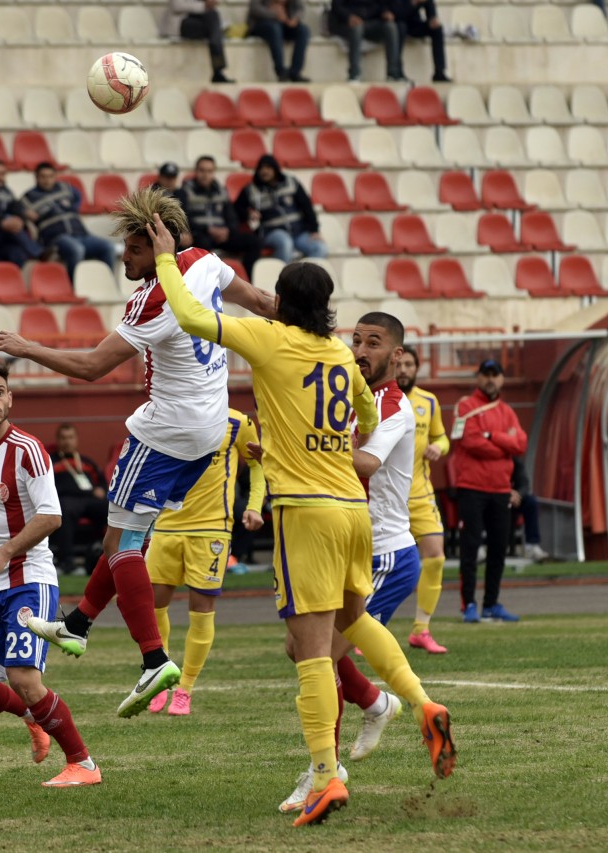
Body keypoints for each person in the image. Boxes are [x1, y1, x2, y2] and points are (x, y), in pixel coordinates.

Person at [153, 218, 455, 826]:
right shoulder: (342, 356)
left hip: (305, 510)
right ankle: (421, 703)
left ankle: (324, 774)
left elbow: (188, 318)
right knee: (352, 618)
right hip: (353, 508)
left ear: (282, 302)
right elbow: (367, 416)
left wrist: (166, 260)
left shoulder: (269, 339)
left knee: (311, 650)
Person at [0, 187, 277, 718]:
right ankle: (76, 626)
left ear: (157, 242)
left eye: (133, 248)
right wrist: (313, 331)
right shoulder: (205, 261)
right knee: (126, 534)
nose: (124, 256)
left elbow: (92, 368)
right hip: (212, 428)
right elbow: (263, 303)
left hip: (164, 432)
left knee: (121, 541)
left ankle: (153, 658)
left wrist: (26, 348)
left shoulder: (153, 301)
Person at [279, 312, 419, 811]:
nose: (360, 349)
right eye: (355, 339)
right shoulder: (343, 388)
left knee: (319, 655)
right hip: (344, 540)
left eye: (373, 343)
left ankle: (324, 771)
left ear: (397, 356)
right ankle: (378, 703)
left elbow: (365, 463)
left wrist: (297, 446)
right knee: (302, 649)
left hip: (382, 551)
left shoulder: (396, 407)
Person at [0, 364, 100, 787]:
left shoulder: (28, 449)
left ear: (10, 399)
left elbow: (52, 516)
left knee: (24, 678)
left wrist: (2, 554)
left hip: (30, 579)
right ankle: (32, 718)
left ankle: (83, 764)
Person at [146, 408, 265, 717]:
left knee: (201, 609)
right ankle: (161, 678)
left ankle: (185, 689)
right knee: (153, 605)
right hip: (167, 526)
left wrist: (253, 506)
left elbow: (257, 465)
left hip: (212, 529)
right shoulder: (168, 413)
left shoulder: (238, 422)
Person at [450, 359, 526, 623]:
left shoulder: (506, 410)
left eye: (495, 375)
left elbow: (521, 444)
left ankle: (491, 603)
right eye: (486, 374)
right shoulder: (466, 405)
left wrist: (492, 436)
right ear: (478, 377)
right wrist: (505, 443)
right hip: (471, 487)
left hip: (500, 490)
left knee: (498, 549)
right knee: (470, 548)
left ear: (501, 379)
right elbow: (470, 442)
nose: (490, 379)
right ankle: (468, 604)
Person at [396, 345, 450, 655]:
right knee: (373, 564)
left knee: (436, 557)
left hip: (420, 493)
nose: (403, 370)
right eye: (399, 364)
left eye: (409, 364)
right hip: (384, 497)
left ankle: (421, 629)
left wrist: (438, 448)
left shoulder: (428, 402)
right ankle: (369, 625)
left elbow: (441, 436)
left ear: (417, 368)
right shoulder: (376, 398)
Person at [21, 162, 114, 279]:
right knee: (76, 249)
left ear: (55, 177)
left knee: (108, 247)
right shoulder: (28, 197)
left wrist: (73, 208)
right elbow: (18, 212)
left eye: (50, 176)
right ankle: (74, 285)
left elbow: (78, 196)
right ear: (36, 177)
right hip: (57, 238)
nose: (47, 180)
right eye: (43, 176)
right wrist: (25, 214)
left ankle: (107, 282)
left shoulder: (65, 188)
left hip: (81, 234)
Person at [234, 154, 326, 264]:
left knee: (320, 248)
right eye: (261, 168)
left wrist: (314, 230)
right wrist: (248, 213)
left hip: (298, 232)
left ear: (275, 169)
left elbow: (307, 206)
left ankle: (309, 280)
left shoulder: (291, 182)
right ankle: (284, 279)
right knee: (285, 242)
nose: (264, 171)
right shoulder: (251, 189)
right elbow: (236, 209)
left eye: (268, 168)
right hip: (271, 233)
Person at [177, 156, 262, 276]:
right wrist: (208, 229)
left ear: (214, 172)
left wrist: (227, 230)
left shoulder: (221, 191)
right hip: (200, 234)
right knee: (202, 244)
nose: (205, 175)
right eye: (202, 170)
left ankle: (247, 279)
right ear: (196, 171)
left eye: (209, 171)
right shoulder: (184, 191)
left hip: (222, 236)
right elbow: (183, 217)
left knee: (254, 241)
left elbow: (232, 216)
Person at [48, 423, 109, 574]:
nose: (67, 441)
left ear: (76, 440)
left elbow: (102, 482)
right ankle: (67, 563)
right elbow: (53, 487)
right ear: (58, 440)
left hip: (91, 500)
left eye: (70, 437)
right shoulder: (51, 462)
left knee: (111, 509)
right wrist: (88, 492)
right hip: (67, 500)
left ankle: (110, 556)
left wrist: (101, 489)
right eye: (63, 438)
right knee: (64, 510)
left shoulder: (86, 462)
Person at [330, 0, 405, 83]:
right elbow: (336, 6)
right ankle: (354, 74)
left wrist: (385, 12)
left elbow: (382, 4)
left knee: (391, 27)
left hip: (371, 21)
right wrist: (349, 17)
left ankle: (393, 73)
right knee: (357, 29)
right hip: (349, 22)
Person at [161, 0, 234, 84]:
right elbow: (177, 6)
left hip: (201, 21)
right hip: (182, 23)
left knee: (213, 15)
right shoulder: (200, 7)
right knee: (214, 29)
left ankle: (217, 65)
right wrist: (204, 6)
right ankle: (217, 60)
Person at [247, 0, 310, 83]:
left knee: (303, 30)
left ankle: (295, 72)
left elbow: (300, 8)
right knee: (275, 29)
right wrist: (274, 14)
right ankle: (281, 71)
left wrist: (295, 18)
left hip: (285, 23)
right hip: (263, 23)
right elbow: (254, 8)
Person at [392, 0, 448, 82]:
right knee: (400, 28)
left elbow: (429, 5)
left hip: (415, 24)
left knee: (437, 29)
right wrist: (413, 3)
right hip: (400, 23)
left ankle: (439, 72)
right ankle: (398, 71)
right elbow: (397, 14)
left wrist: (432, 18)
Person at [510, 457, 548, 563]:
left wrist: (517, 495)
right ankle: (478, 547)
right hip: (491, 498)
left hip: (511, 500)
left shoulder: (514, 461)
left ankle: (532, 545)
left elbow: (524, 484)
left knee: (531, 502)